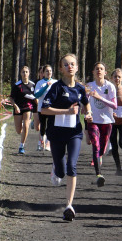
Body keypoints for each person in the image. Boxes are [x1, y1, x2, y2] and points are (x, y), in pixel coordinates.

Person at [39, 54, 91, 221]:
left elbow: (86, 104)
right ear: (61, 68)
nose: (70, 67)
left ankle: (69, 205)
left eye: (73, 64)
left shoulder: (80, 89)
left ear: (77, 67)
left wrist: (88, 114)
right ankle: (56, 167)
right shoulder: (56, 87)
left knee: (72, 166)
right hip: (56, 133)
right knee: (61, 171)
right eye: (66, 64)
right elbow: (44, 110)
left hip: (74, 132)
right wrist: (66, 111)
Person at [84, 62, 118, 187]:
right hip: (93, 121)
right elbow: (85, 102)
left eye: (101, 69)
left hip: (107, 121)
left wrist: (99, 97)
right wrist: (85, 112)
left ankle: (98, 159)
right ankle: (99, 175)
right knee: (96, 146)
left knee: (102, 149)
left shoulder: (110, 86)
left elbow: (114, 105)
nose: (99, 70)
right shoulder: (89, 86)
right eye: (96, 68)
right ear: (93, 72)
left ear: (105, 72)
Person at [9, 65, 36, 154]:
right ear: (20, 73)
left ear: (29, 73)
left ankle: (22, 146)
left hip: (28, 107)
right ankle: (23, 125)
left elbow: (36, 96)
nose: (25, 74)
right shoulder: (17, 85)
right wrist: (15, 106)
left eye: (26, 72)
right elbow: (11, 98)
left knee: (26, 126)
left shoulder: (33, 85)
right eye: (23, 72)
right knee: (18, 130)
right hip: (18, 108)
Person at [33, 65, 56, 152]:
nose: (49, 72)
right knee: (43, 126)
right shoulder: (40, 83)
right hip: (42, 108)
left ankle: (48, 143)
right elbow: (37, 95)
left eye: (50, 71)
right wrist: (46, 86)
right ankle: (42, 141)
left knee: (51, 126)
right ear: (43, 73)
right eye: (47, 71)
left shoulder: (55, 82)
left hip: (52, 109)